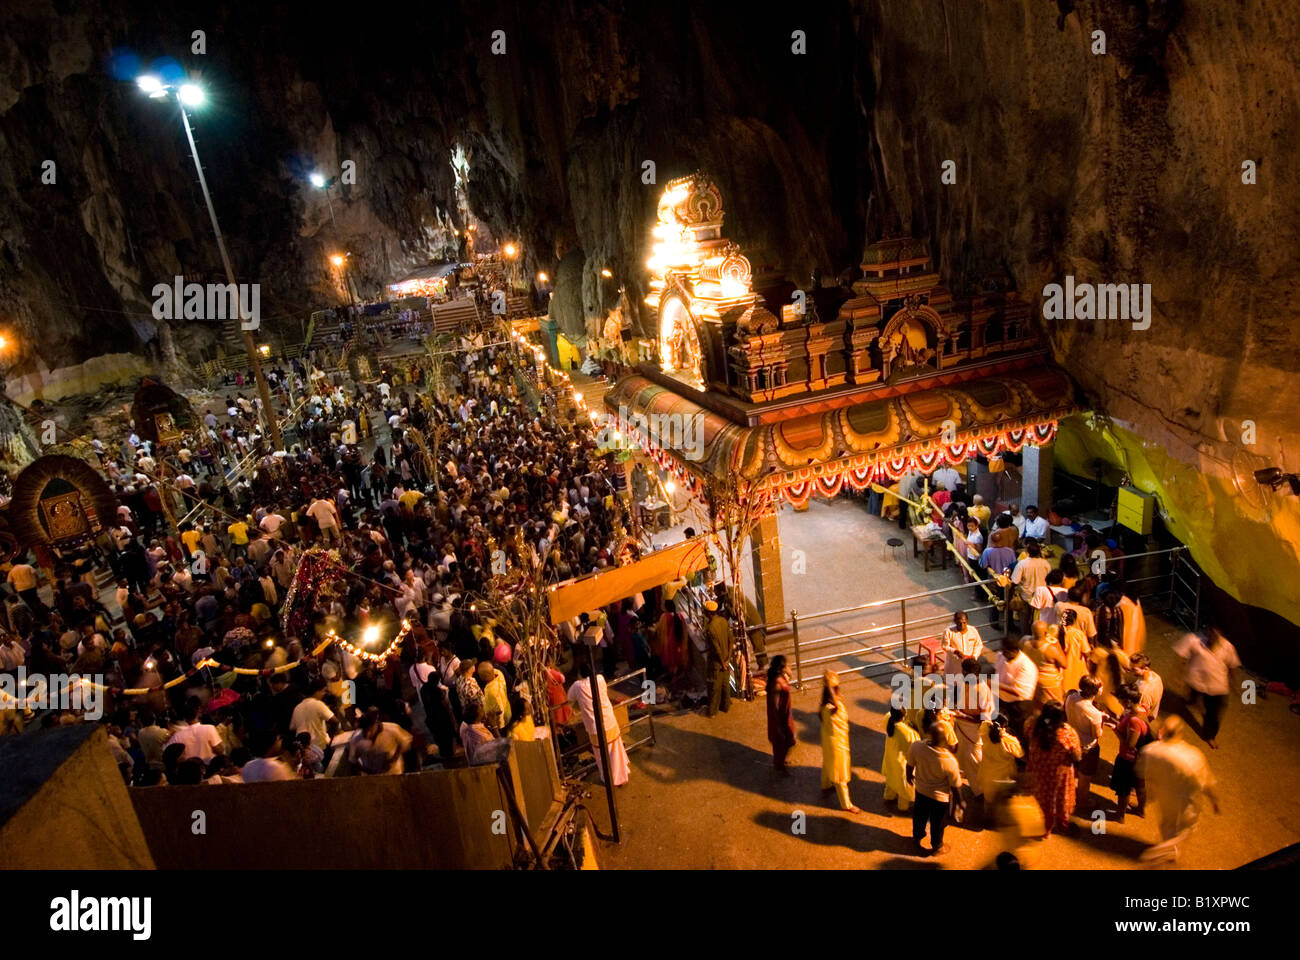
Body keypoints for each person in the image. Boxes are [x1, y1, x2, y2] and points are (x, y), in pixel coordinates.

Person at [1137, 717, 1220, 864]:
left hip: (1165, 798)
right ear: (1180, 733)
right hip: (1186, 802)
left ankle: (1170, 851)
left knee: (1167, 825)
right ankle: (1159, 855)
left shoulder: (1151, 750)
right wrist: (1215, 800)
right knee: (1184, 830)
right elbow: (1207, 782)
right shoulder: (1192, 756)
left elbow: (1140, 771)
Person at [1173, 626, 1239, 748]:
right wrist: (1178, 674)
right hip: (1196, 682)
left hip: (1217, 687)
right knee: (1192, 695)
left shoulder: (1228, 647)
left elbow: (1232, 666)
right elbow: (1182, 657)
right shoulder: (1195, 641)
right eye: (1210, 634)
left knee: (1214, 713)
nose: (1212, 638)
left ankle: (1209, 735)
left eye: (1216, 636)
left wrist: (1235, 685)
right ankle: (1191, 700)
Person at [567, 660, 630, 786]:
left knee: (601, 754)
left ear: (580, 674)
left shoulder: (577, 686)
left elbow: (569, 698)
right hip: (608, 720)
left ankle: (609, 777)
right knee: (615, 751)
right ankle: (620, 775)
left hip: (594, 726)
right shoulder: (600, 679)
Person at [906, 719, 963, 855]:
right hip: (940, 798)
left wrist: (909, 777)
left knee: (919, 816)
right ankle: (937, 846)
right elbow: (955, 787)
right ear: (944, 740)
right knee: (938, 823)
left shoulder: (917, 747)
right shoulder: (949, 761)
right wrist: (960, 802)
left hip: (921, 791)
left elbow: (909, 765)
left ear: (929, 735)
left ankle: (917, 838)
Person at [1026, 700, 1081, 837]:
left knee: (1041, 799)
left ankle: (1044, 829)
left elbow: (1027, 736)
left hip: (1038, 769)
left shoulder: (1032, 724)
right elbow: (1077, 756)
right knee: (1060, 799)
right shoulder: (1068, 733)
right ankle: (1062, 824)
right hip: (1059, 774)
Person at [819, 670, 859, 813]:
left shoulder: (823, 706)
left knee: (827, 762)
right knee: (840, 774)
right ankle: (846, 804)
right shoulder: (837, 707)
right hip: (838, 743)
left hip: (827, 739)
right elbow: (844, 723)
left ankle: (825, 784)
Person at [1064, 676, 1106, 811]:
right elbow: (1097, 734)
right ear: (1096, 691)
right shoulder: (1094, 713)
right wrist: (1101, 721)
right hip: (1087, 747)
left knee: (1073, 770)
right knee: (1084, 777)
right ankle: (1082, 801)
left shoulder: (1071, 697)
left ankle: (1068, 794)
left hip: (1071, 740)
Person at [1111, 684, 1149, 823]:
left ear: (1127, 701)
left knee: (1124, 788)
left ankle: (1120, 815)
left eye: (1120, 699)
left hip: (1128, 759)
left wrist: (1115, 729)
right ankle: (1141, 810)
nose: (1118, 701)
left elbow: (1130, 744)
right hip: (1142, 758)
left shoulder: (1134, 720)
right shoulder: (1143, 709)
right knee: (1140, 784)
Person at [976, 714, 1024, 818]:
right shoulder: (1010, 741)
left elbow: (984, 724)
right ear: (1005, 727)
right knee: (1002, 805)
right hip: (1003, 779)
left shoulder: (984, 733)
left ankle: (986, 818)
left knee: (988, 801)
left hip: (987, 776)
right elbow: (1020, 754)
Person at [347, 707, 413, 775]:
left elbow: (405, 743)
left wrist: (393, 760)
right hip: (371, 779)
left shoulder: (392, 729)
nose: (367, 734)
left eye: (370, 730)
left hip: (394, 773)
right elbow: (353, 760)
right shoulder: (356, 738)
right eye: (364, 730)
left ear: (375, 724)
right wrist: (366, 770)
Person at [995, 637, 1038, 741]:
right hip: (1003, 701)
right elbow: (996, 670)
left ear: (1013, 651)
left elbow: (1018, 691)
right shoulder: (1002, 656)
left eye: (1004, 651)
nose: (1002, 653)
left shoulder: (1026, 666)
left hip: (1020, 706)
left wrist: (994, 685)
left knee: (1019, 733)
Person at [881, 705, 919, 812]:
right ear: (904, 716)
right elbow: (913, 746)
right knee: (903, 787)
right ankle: (903, 807)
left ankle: (888, 797)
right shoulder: (908, 732)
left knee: (891, 779)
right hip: (902, 762)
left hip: (890, 757)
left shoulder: (888, 720)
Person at [766, 655, 795, 773]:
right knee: (782, 743)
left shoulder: (780, 679)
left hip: (784, 717)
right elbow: (775, 706)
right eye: (788, 665)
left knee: (787, 742)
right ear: (782, 668)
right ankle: (779, 766)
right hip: (780, 720)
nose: (791, 667)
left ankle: (780, 761)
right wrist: (778, 726)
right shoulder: (777, 684)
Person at [704, 600, 731, 717]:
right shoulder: (724, 621)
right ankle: (725, 706)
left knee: (714, 686)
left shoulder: (710, 628)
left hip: (717, 662)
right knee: (725, 684)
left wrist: (721, 662)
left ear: (708, 613)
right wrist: (728, 660)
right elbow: (731, 641)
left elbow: (716, 649)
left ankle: (712, 711)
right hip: (726, 659)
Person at [940, 610, 982, 678]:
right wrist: (954, 651)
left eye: (964, 623)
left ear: (967, 621)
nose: (962, 625)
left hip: (969, 666)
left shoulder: (973, 630)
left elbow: (979, 645)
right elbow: (944, 646)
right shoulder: (948, 632)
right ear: (955, 622)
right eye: (959, 623)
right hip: (954, 665)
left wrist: (974, 656)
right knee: (952, 685)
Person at [1130, 653, 1164, 722]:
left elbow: (1142, 712)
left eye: (1134, 669)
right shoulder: (1155, 676)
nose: (1131, 671)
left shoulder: (1145, 692)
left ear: (1145, 669)